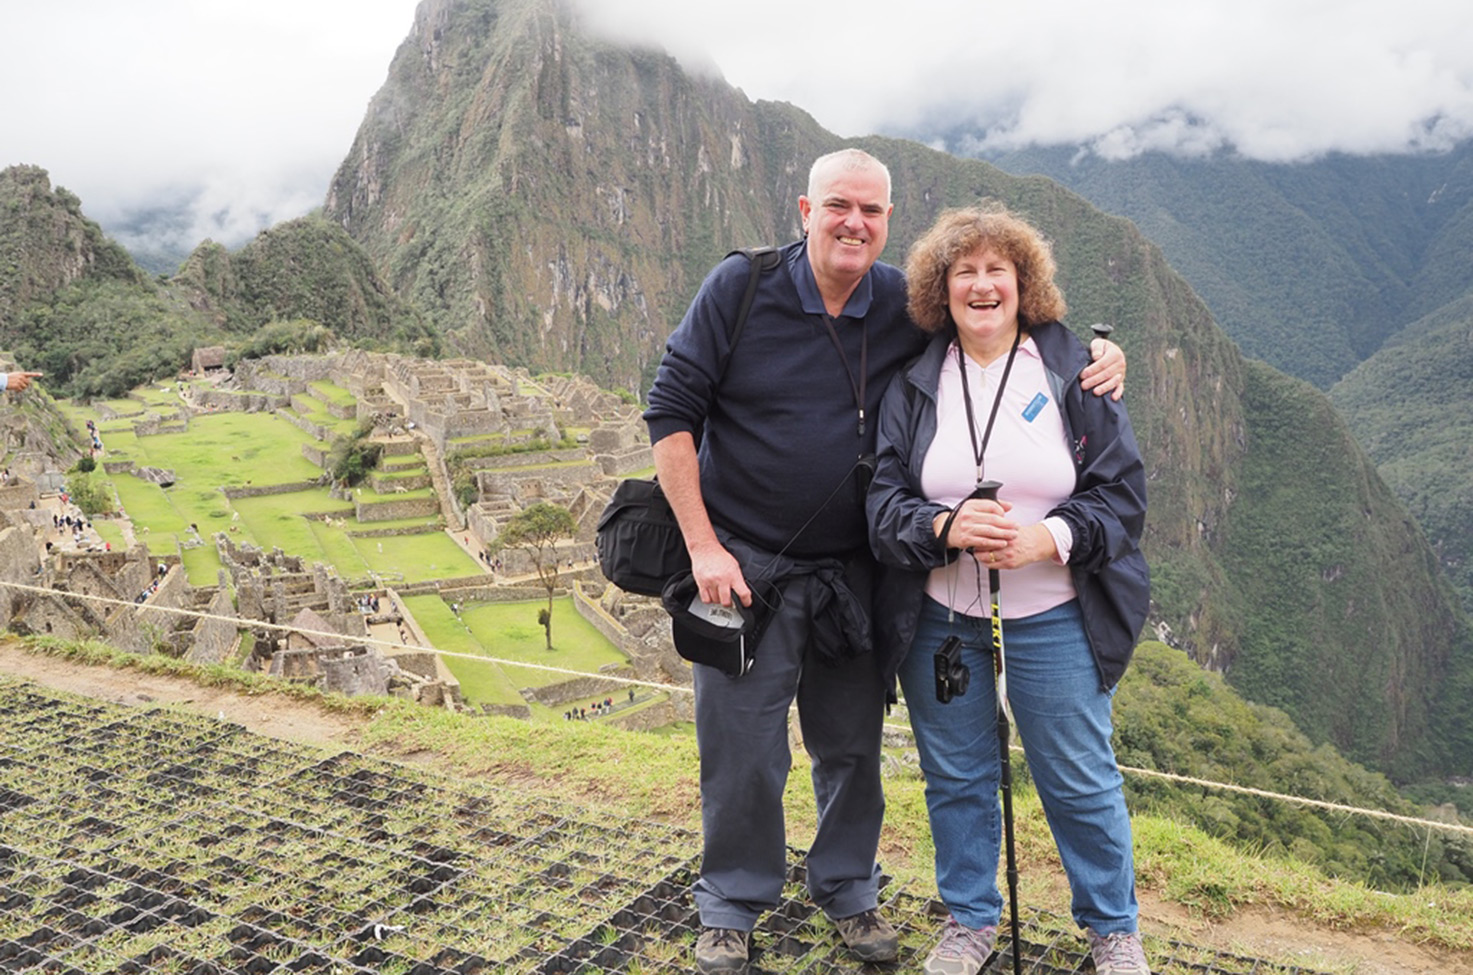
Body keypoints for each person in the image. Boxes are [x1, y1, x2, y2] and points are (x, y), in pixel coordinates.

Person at [643, 149, 1126, 974]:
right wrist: (703, 546)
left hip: (857, 570)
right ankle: (730, 901)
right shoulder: (742, 288)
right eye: (838, 206)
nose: (852, 224)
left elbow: (1003, 320)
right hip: (744, 567)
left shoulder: (906, 303)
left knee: (850, 747)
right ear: (804, 208)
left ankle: (847, 888)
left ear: (888, 221)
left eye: (870, 211)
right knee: (742, 748)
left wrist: (1102, 357)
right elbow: (670, 411)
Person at [867, 204, 1151, 975]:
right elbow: (883, 501)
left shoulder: (1075, 371)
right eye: (965, 272)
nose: (982, 285)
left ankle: (1112, 929)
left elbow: (1120, 497)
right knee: (956, 775)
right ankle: (969, 920)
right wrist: (942, 526)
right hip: (945, 618)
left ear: (1024, 284)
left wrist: (1047, 537)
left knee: (1078, 777)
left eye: (998, 270)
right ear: (940, 288)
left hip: (1053, 614)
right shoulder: (916, 383)